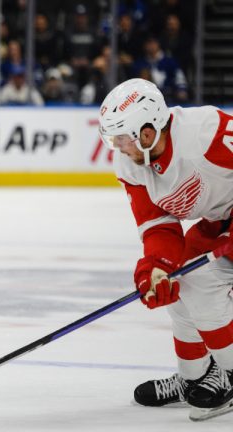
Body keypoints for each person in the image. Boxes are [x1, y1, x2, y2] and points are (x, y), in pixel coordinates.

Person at [98, 78, 233, 420]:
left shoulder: (205, 132)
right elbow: (158, 225)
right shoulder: (131, 165)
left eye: (121, 138)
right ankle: (194, 378)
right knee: (178, 278)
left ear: (147, 132)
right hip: (220, 225)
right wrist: (158, 266)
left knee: (202, 283)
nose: (117, 146)